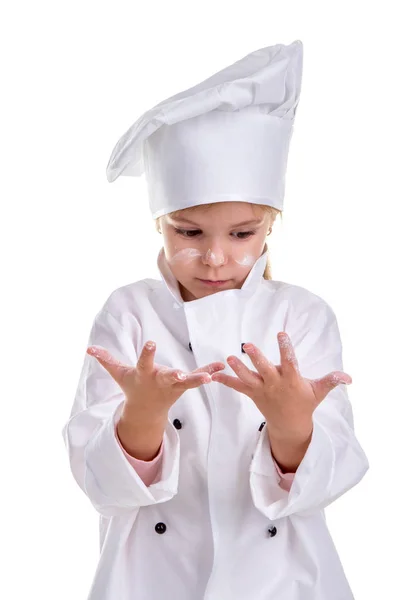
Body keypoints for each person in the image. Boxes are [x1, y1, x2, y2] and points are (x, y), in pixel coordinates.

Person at [61, 40, 370, 600]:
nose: (215, 257)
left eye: (242, 233)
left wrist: (293, 424)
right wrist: (143, 418)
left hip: (284, 580)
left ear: (270, 226)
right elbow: (96, 478)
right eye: (189, 232)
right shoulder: (128, 313)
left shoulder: (301, 316)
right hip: (151, 578)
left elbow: (336, 470)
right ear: (159, 224)